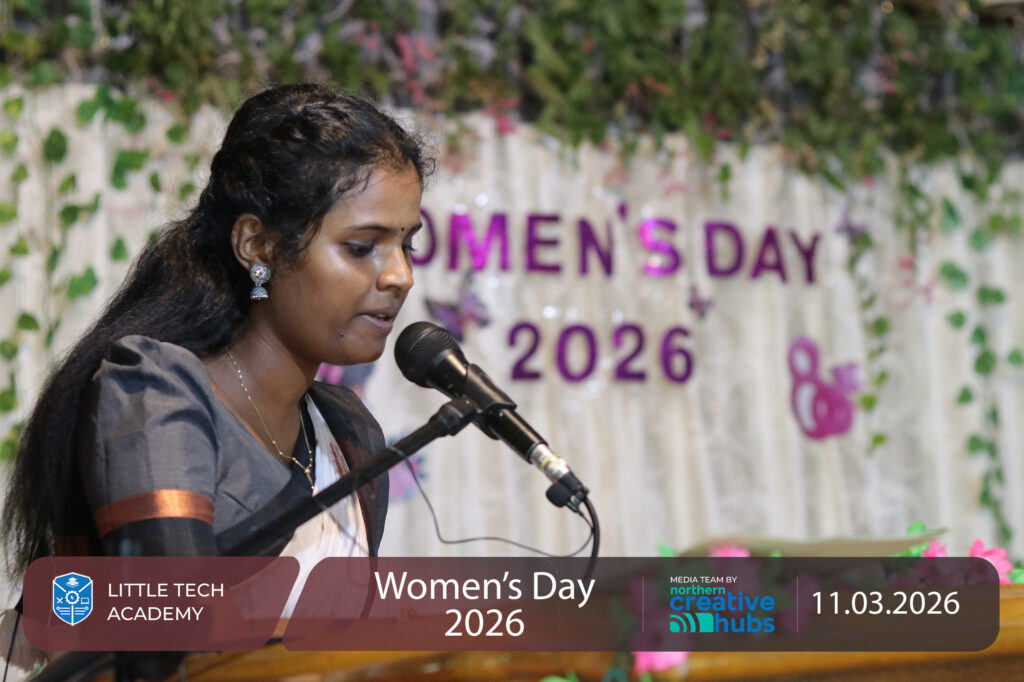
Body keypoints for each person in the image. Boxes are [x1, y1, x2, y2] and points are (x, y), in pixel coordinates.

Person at [2, 82, 431, 589]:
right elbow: (170, 622)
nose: (400, 276)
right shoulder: (155, 391)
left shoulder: (347, 430)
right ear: (258, 246)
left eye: (407, 246)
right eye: (362, 247)